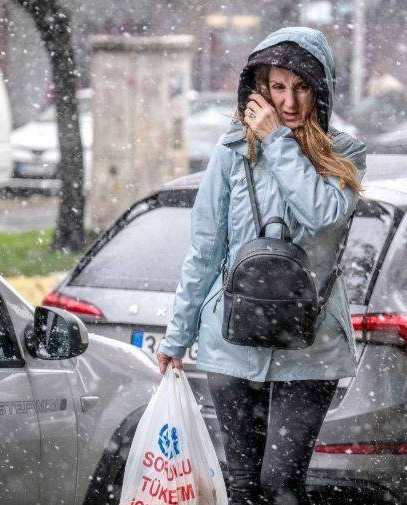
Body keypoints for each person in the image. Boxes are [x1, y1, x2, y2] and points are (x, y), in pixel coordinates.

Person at [156, 27, 366, 505]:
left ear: (322, 89)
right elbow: (206, 249)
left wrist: (277, 142)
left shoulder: (346, 154)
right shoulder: (232, 150)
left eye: (302, 87)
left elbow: (323, 214)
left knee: (281, 483)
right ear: (259, 88)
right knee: (244, 486)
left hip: (308, 341)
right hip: (232, 334)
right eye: (277, 86)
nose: (289, 101)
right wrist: (177, 335)